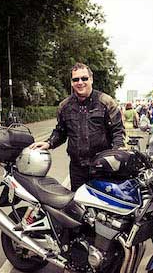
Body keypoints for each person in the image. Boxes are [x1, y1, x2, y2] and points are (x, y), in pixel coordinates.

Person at [29, 62, 125, 191]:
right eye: (76, 79)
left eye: (84, 78)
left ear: (91, 79)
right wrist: (49, 143)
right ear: (71, 82)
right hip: (78, 169)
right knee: (78, 207)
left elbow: (118, 131)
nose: (80, 82)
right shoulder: (65, 106)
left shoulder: (106, 102)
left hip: (103, 169)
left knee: (104, 206)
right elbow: (61, 131)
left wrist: (116, 154)